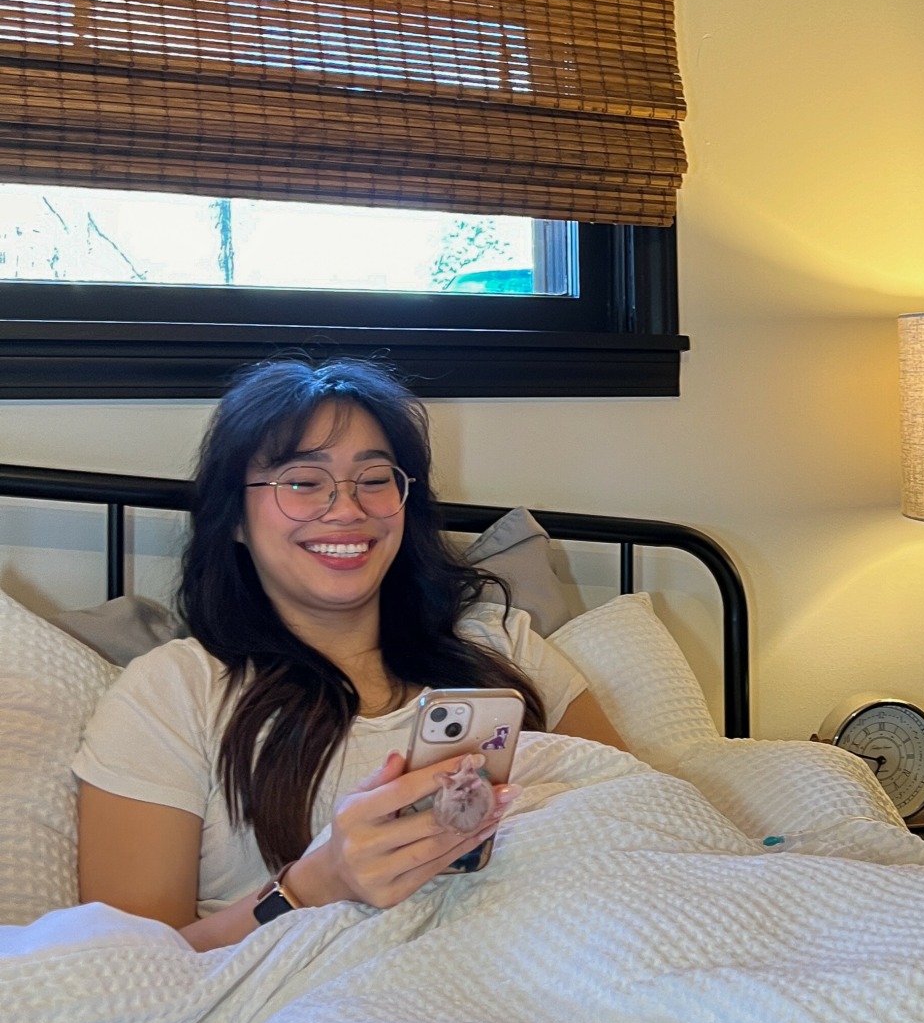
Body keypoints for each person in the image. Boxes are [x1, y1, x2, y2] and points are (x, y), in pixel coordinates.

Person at [74, 359, 625, 951]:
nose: (346, 509)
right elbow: (126, 967)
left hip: (565, 959)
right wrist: (314, 885)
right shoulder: (175, 692)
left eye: (375, 478)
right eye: (302, 482)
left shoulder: (502, 645)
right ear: (233, 517)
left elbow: (639, 816)